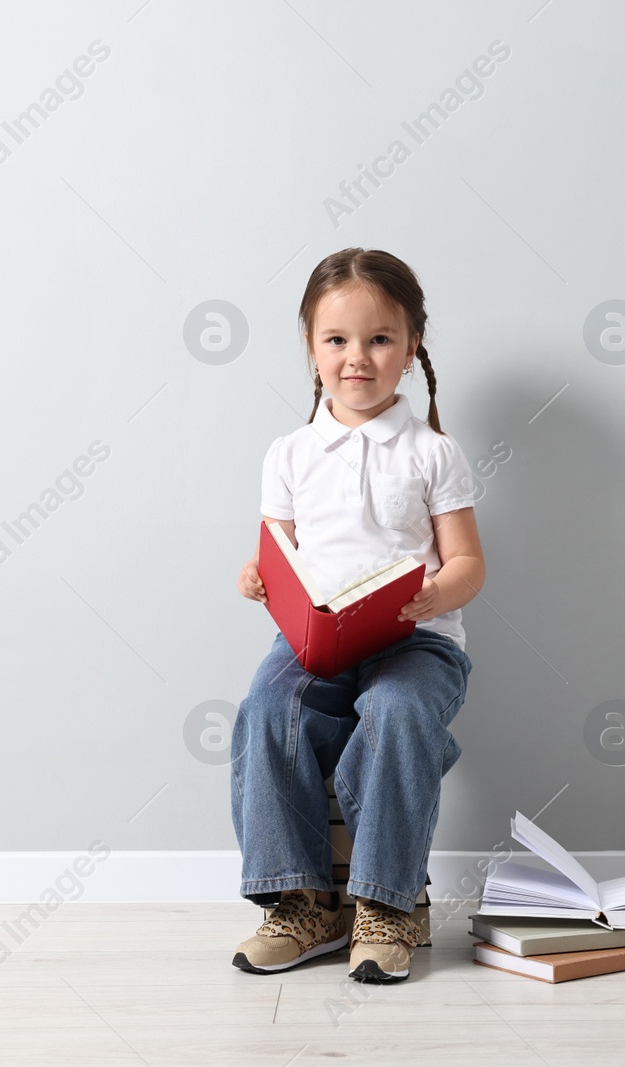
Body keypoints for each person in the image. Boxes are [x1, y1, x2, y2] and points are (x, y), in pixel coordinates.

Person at [229, 248, 485, 983]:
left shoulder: (434, 453)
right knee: (266, 706)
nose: (357, 358)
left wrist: (437, 593)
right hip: (319, 639)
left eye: (379, 339)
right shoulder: (290, 453)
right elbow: (277, 554)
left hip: (415, 641)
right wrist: (255, 578)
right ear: (311, 350)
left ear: (410, 350)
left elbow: (468, 561)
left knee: (398, 710)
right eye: (336, 340)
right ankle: (302, 901)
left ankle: (384, 905)